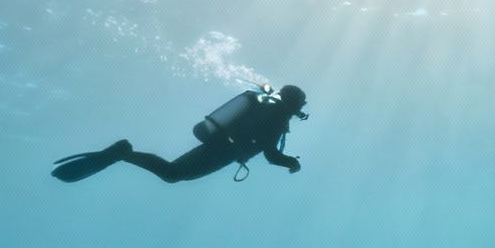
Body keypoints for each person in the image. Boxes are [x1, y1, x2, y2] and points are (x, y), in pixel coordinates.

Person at [51, 85, 308, 183]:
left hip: (220, 144)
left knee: (173, 173)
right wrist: (291, 163)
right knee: (173, 174)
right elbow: (271, 153)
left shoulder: (268, 109)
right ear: (293, 102)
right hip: (224, 151)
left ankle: (124, 154)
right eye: (301, 103)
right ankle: (123, 153)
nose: (302, 108)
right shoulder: (276, 117)